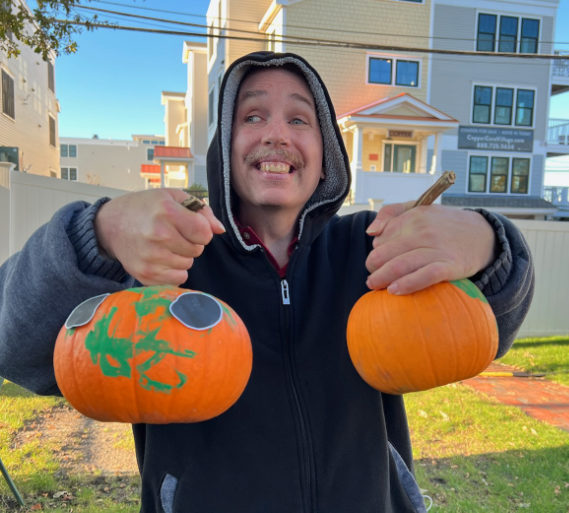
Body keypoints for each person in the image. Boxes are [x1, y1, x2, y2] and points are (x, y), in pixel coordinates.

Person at [0, 52, 534, 513]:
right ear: (225, 147)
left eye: (300, 120)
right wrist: (98, 235)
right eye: (253, 115)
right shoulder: (164, 259)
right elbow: (15, 346)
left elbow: (485, 329)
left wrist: (487, 243)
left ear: (325, 153)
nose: (276, 133)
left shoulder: (374, 249)